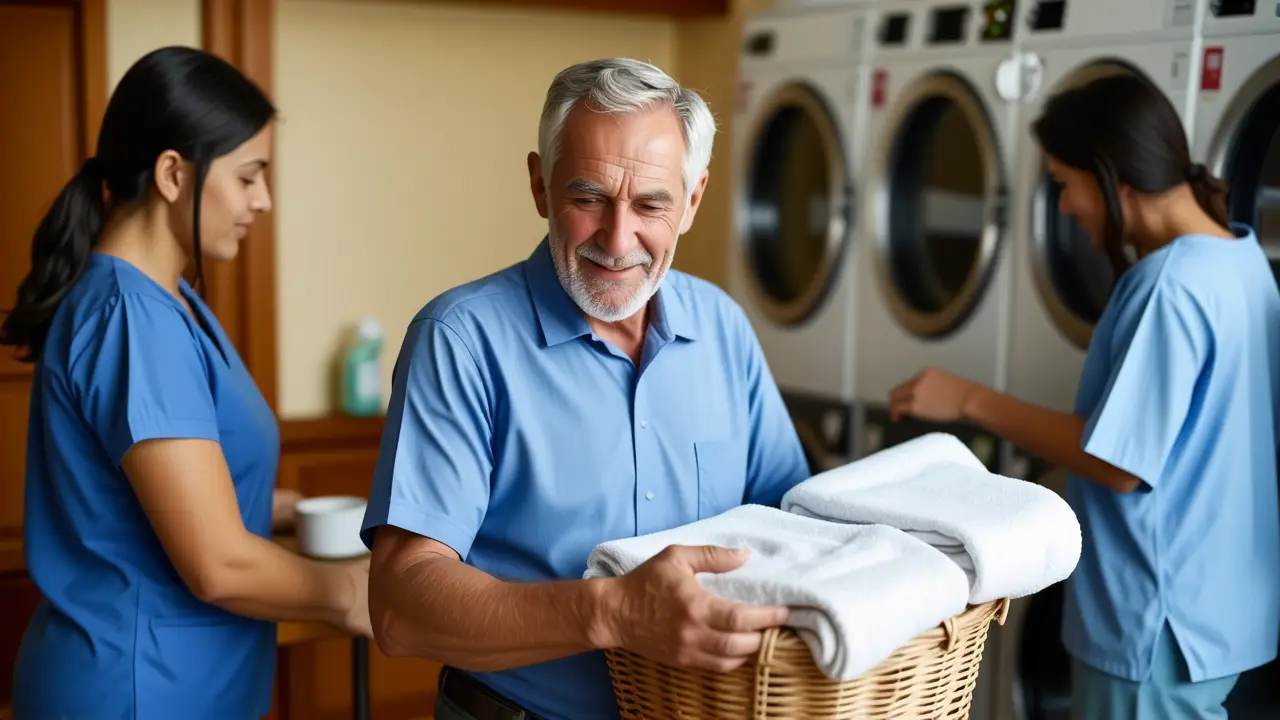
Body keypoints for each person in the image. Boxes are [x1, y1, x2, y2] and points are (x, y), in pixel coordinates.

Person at [361, 58, 809, 719]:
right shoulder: (459, 339)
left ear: (692, 202)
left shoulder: (723, 328)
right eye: (588, 198)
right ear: (540, 186)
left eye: (651, 204)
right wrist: (613, 613)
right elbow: (401, 608)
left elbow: (793, 531)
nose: (617, 237)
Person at [888, 73, 1280, 719]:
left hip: (1155, 624)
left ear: (1114, 179)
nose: (1064, 207)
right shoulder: (1239, 257)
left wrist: (968, 402)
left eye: (1066, 184)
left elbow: (1120, 464)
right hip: (1225, 612)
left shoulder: (1170, 288)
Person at [1, 46, 372, 720]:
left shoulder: (167, 300)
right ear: (174, 172)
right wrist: (355, 594)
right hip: (137, 688)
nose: (263, 201)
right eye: (249, 175)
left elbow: (153, 495)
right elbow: (218, 563)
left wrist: (285, 509)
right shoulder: (131, 318)